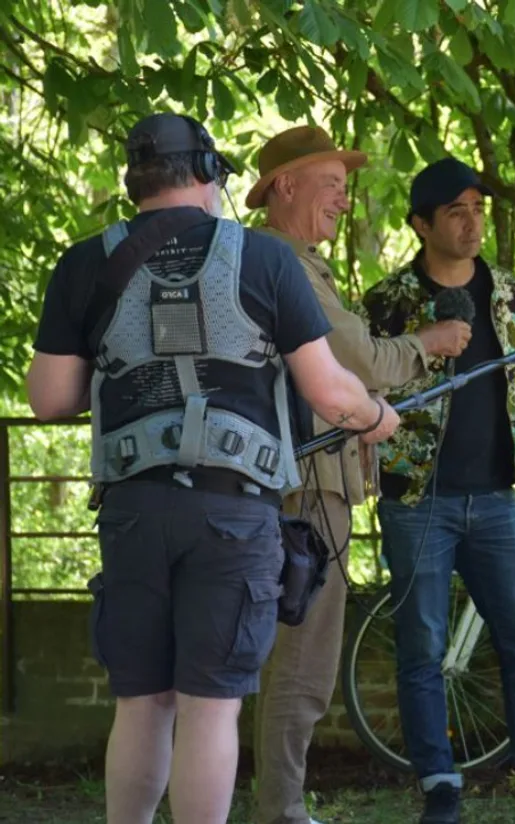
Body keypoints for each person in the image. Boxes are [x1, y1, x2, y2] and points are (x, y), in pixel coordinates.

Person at [24, 111, 399, 824]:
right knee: (210, 708)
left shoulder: (85, 263)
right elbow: (328, 389)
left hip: (133, 508)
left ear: (136, 179)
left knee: (142, 703)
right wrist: (380, 417)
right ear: (205, 173)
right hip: (234, 514)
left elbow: (49, 399)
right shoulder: (263, 260)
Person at [359, 157, 515, 824]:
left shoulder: (509, 292)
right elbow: (361, 389)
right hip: (417, 499)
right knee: (423, 648)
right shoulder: (386, 301)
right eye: (455, 212)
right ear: (420, 224)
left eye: (478, 209)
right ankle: (440, 788)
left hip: (497, 494)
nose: (472, 223)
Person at [245, 125, 472, 824]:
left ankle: (265, 802)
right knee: (303, 663)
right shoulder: (284, 263)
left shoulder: (279, 260)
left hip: (294, 482)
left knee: (268, 658)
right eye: (332, 186)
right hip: (308, 491)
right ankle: (280, 810)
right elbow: (356, 359)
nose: (344, 202)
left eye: (347, 189)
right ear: (284, 186)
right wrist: (425, 346)